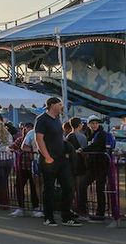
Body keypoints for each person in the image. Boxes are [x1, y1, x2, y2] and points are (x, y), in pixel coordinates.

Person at [35, 97, 79, 227]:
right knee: (49, 189)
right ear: (52, 105)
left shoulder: (57, 120)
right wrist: (47, 156)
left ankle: (66, 216)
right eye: (60, 104)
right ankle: (48, 217)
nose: (62, 106)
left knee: (68, 186)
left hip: (61, 159)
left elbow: (59, 138)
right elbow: (39, 139)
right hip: (49, 160)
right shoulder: (42, 119)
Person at [77, 116, 111, 221]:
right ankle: (83, 210)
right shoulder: (91, 135)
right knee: (82, 185)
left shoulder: (101, 134)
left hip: (101, 165)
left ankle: (100, 213)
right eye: (92, 123)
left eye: (96, 123)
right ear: (88, 124)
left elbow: (96, 146)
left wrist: (82, 150)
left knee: (100, 189)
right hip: (93, 166)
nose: (94, 125)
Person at [65, 117, 90, 220]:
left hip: (71, 166)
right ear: (79, 125)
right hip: (80, 165)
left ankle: (73, 208)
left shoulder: (68, 137)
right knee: (81, 189)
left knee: (73, 188)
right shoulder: (82, 137)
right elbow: (85, 152)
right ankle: (81, 210)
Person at [0, 120, 15, 208]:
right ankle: (5, 201)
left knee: (0, 182)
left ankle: (1, 202)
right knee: (5, 181)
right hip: (9, 159)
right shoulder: (9, 135)